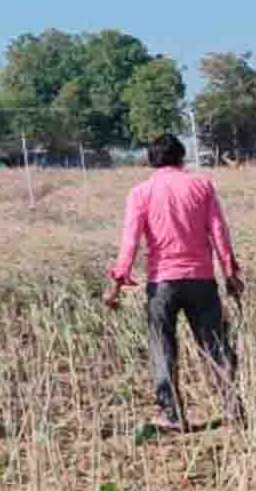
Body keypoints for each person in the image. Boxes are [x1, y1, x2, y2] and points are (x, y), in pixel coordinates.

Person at [102, 134, 245, 430]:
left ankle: (171, 414)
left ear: (151, 160)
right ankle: (233, 408)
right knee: (215, 344)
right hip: (202, 279)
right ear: (181, 156)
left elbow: (130, 241)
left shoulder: (140, 193)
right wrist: (230, 274)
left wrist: (116, 284)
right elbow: (219, 232)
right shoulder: (202, 186)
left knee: (163, 347)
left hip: (162, 283)